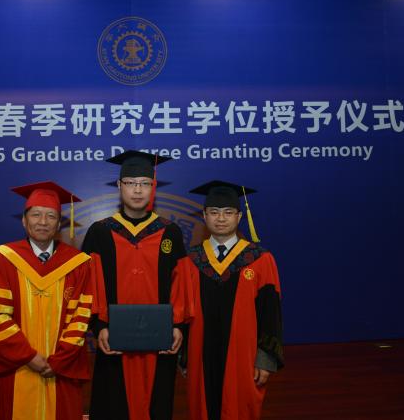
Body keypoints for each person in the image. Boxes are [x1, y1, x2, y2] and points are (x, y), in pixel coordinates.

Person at [81, 150, 194, 420]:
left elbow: (180, 283)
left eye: (145, 183)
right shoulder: (100, 232)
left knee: (157, 402)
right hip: (113, 337)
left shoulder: (169, 232)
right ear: (119, 185)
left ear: (153, 187)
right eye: (131, 183)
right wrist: (99, 326)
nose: (138, 190)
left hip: (159, 339)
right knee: (113, 403)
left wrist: (177, 326)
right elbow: (89, 284)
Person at [0, 181, 97, 420]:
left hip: (62, 367)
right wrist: (29, 357)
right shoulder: (3, 259)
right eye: (36, 215)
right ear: (24, 220)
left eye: (51, 216)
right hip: (17, 365)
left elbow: (81, 315)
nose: (43, 222)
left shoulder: (78, 263)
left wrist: (59, 360)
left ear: (59, 224)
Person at [185, 180, 284, 420]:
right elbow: (182, 310)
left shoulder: (260, 259)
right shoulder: (190, 260)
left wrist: (265, 359)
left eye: (228, 212)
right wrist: (184, 359)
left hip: (244, 358)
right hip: (201, 357)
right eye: (214, 212)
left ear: (239, 217)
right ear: (205, 216)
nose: (221, 218)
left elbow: (271, 314)